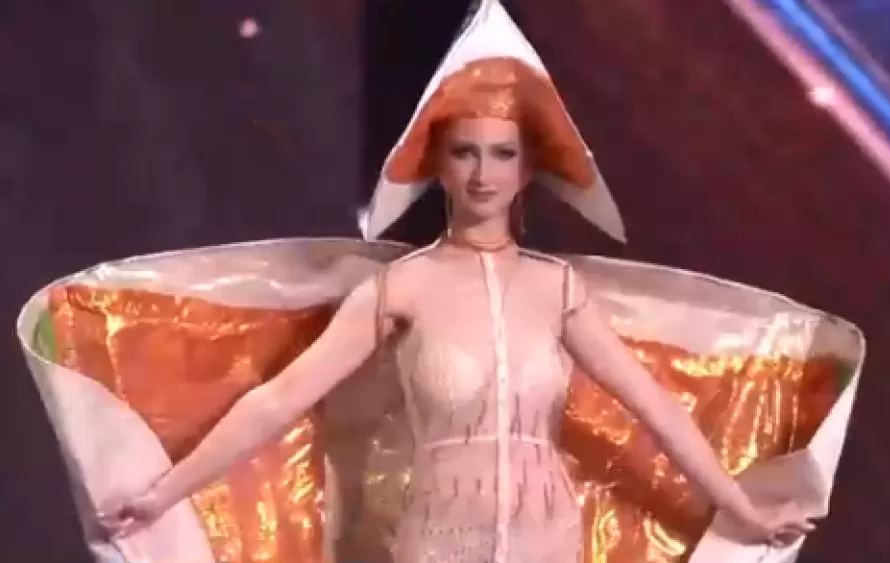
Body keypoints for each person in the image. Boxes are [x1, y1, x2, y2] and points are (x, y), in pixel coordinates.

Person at [95, 2, 817, 561]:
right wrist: (163, 494)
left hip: (547, 541)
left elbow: (655, 408)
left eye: (502, 154)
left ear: (526, 169)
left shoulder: (557, 290)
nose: (482, 173)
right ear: (438, 163)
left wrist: (742, 509)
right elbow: (279, 399)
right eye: (465, 152)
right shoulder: (399, 290)